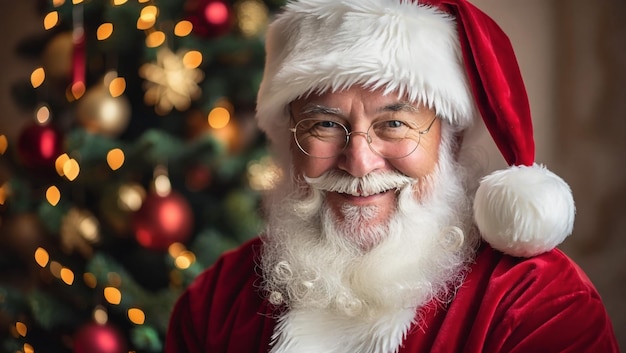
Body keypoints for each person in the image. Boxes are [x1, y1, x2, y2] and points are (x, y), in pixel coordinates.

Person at [165, 0, 619, 352]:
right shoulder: (217, 301)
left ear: (448, 141)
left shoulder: (538, 304)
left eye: (394, 124)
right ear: (289, 144)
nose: (359, 161)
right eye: (324, 124)